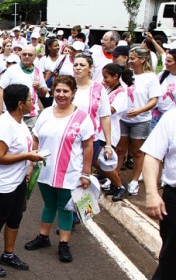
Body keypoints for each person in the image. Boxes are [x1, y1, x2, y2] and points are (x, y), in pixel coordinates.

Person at [25, 76, 95, 263]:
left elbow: (89, 146)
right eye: (58, 91)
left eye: (65, 91)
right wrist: (32, 165)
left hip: (70, 172)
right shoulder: (46, 113)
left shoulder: (82, 117)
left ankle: (63, 244)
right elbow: (36, 140)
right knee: (48, 204)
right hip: (46, 170)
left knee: (65, 208)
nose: (61, 95)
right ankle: (43, 237)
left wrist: (86, 173)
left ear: (73, 93)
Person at [0, 84, 44, 277]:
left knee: (15, 218)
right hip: (1, 182)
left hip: (16, 181)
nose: (33, 102)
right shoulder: (5, 124)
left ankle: (8, 254)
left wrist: (29, 164)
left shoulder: (19, 121)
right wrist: (27, 157)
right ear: (20, 103)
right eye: (30, 99)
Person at [142, 108, 176, 280]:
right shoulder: (172, 117)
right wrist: (151, 193)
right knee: (173, 250)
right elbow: (153, 156)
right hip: (174, 195)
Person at [118, 45, 162, 197]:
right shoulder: (126, 74)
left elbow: (154, 100)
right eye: (129, 58)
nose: (129, 61)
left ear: (142, 60)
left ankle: (135, 180)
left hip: (141, 120)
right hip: (122, 118)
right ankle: (115, 178)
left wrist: (139, 110)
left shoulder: (151, 77)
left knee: (137, 151)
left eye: (133, 58)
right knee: (120, 149)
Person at [100, 63, 132, 201]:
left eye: (106, 77)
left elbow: (110, 110)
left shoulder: (122, 93)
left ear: (116, 77)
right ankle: (113, 184)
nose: (104, 80)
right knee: (100, 162)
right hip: (99, 130)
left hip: (110, 131)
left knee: (105, 162)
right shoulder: (107, 88)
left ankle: (120, 186)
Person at [0, 45, 48, 131]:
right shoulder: (12, 69)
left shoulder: (38, 71)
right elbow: (1, 89)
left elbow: (44, 93)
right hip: (12, 113)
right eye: (24, 54)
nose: (26, 57)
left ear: (35, 56)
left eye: (30, 55)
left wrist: (39, 88)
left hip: (30, 115)